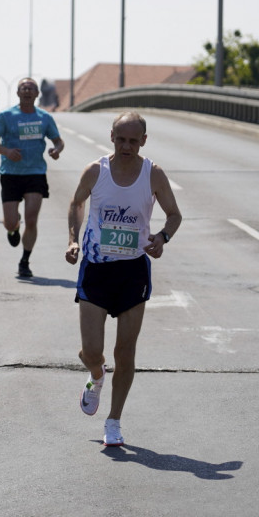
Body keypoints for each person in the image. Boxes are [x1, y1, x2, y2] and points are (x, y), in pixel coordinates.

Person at [66, 112, 182, 448]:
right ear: (112, 137)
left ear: (143, 140)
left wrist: (161, 237)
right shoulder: (96, 171)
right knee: (91, 351)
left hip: (133, 270)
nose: (127, 146)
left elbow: (174, 214)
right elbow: (76, 203)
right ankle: (97, 375)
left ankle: (114, 421)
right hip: (96, 267)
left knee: (125, 351)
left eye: (133, 140)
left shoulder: (153, 174)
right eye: (121, 139)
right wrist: (73, 239)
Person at [0, 77, 65, 278]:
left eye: (31, 88)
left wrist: (56, 150)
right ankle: (13, 227)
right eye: (24, 88)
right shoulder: (6, 116)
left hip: (35, 173)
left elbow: (58, 141)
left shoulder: (44, 117)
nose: (27, 91)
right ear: (18, 93)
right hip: (11, 174)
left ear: (37, 94)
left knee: (32, 220)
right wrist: (6, 151)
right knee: (10, 222)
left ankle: (25, 261)